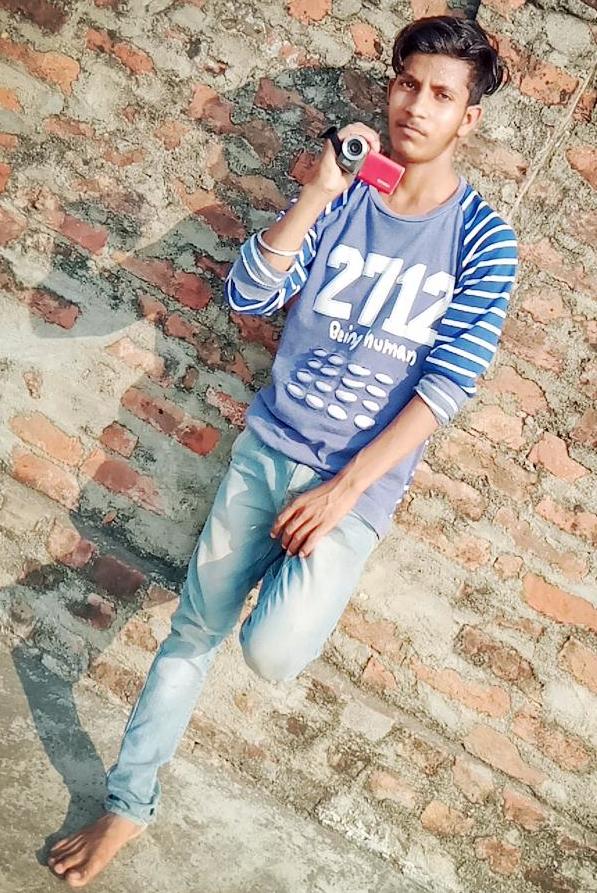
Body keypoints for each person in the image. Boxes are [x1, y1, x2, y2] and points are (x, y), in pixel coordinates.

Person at [48, 15, 518, 887]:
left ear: (468, 118)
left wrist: (343, 491)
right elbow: (250, 293)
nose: (416, 106)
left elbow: (446, 386)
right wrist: (316, 191)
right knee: (194, 631)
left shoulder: (483, 239)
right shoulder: (343, 196)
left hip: (353, 489)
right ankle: (128, 806)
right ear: (390, 88)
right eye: (406, 84)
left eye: (440, 95)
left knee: (271, 652)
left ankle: (288, 579)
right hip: (267, 449)